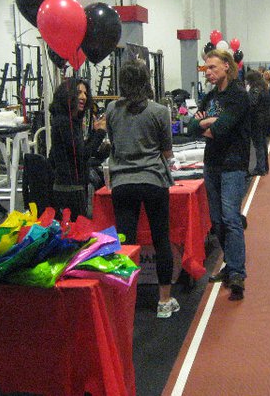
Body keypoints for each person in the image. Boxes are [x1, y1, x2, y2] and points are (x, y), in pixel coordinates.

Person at [105, 60, 179, 318]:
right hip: (153, 180)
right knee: (161, 240)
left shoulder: (111, 109)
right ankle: (164, 300)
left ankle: (125, 301)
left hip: (122, 183)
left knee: (125, 243)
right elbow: (167, 151)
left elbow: (113, 143)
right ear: (147, 81)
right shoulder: (159, 111)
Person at [188, 49, 250, 300]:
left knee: (231, 218)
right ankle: (230, 264)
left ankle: (237, 273)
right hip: (212, 163)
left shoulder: (239, 95)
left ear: (226, 66)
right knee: (217, 220)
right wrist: (206, 122)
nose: (208, 72)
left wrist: (206, 123)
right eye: (206, 69)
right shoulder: (210, 97)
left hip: (233, 164)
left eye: (212, 67)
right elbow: (191, 127)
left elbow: (222, 129)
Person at [49, 78, 106, 220]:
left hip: (73, 188)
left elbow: (79, 149)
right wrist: (100, 133)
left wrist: (94, 133)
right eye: (79, 92)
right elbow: (82, 155)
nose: (83, 97)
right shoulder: (64, 122)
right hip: (69, 191)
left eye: (85, 93)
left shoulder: (70, 121)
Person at [245, 70, 270, 175]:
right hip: (265, 118)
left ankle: (260, 168)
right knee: (263, 144)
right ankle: (264, 166)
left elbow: (252, 103)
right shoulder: (264, 87)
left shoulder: (255, 89)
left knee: (258, 144)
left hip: (257, 120)